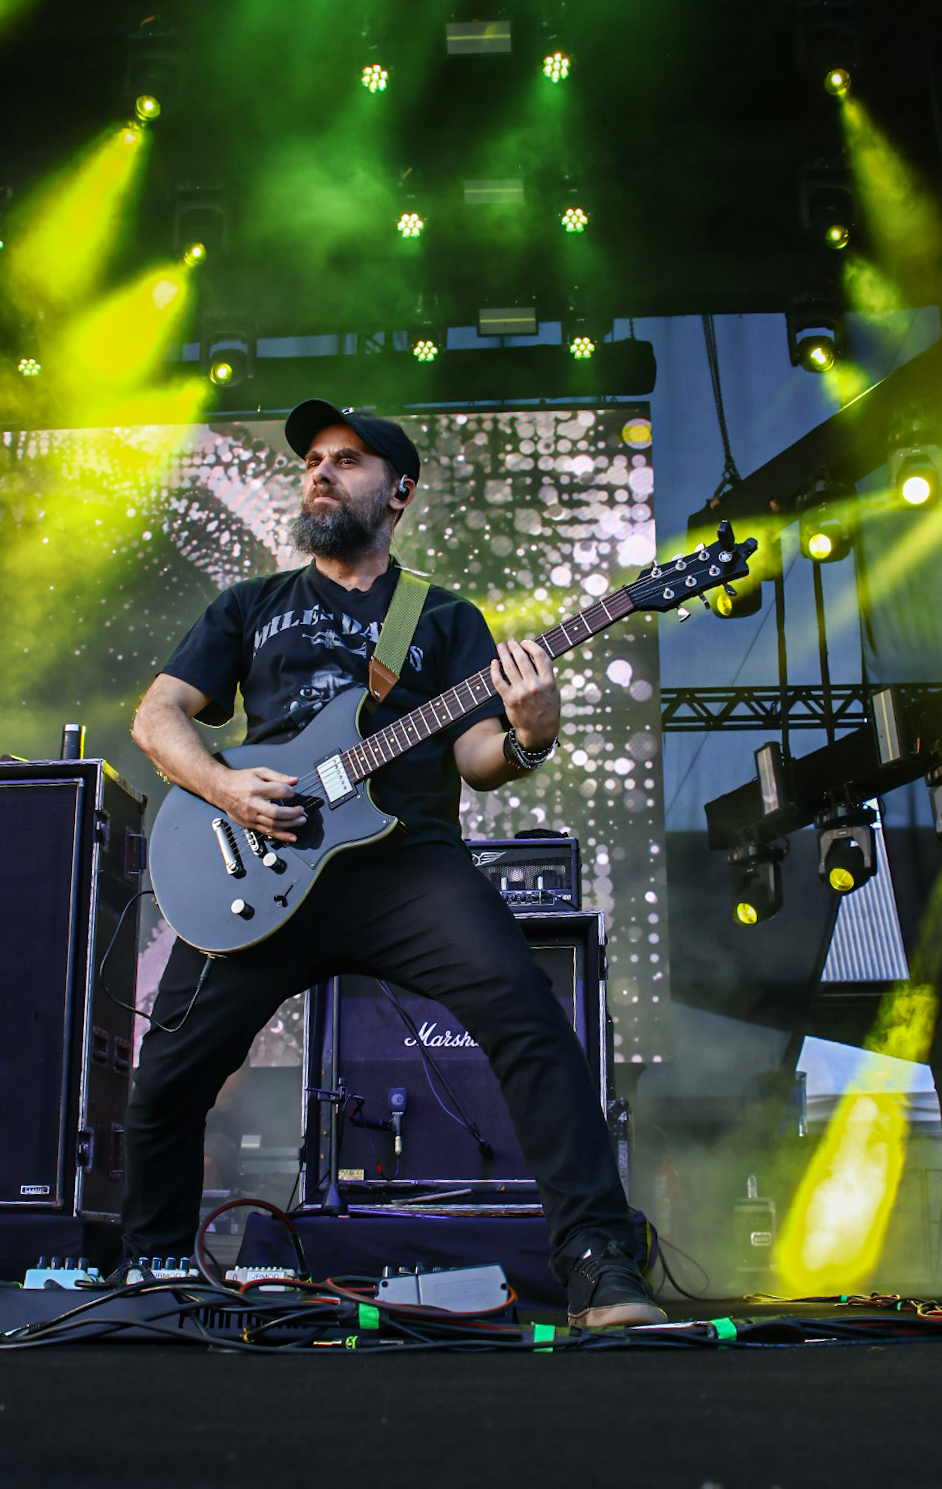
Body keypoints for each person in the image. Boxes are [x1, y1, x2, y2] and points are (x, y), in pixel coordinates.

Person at [122, 398, 667, 1329]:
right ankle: (155, 1274)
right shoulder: (252, 606)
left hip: (406, 866)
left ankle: (598, 1265)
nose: (320, 472)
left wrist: (531, 734)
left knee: (531, 1022)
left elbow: (476, 758)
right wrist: (225, 788)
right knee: (169, 1069)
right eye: (313, 460)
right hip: (266, 862)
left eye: (347, 460)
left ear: (399, 491)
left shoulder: (443, 617)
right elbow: (156, 716)